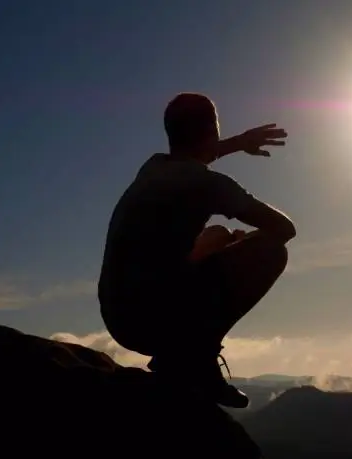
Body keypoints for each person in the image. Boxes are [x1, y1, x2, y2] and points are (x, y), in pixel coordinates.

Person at [98, 92, 296, 409]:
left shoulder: (152, 169)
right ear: (211, 130)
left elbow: (196, 155)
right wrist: (240, 245)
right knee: (271, 250)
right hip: (153, 320)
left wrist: (239, 142)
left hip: (118, 315)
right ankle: (195, 359)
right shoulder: (209, 184)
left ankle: (179, 356)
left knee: (216, 234)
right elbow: (285, 229)